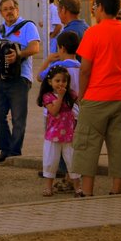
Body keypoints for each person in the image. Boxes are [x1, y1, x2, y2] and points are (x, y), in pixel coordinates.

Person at [72, 0, 121, 197]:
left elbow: (85, 69)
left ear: (100, 7)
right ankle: (116, 189)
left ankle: (87, 190)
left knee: (87, 143)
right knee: (119, 144)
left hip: (96, 96)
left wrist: (82, 95)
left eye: (94, 6)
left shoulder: (93, 33)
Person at [0, 0, 41, 162]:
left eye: (12, 8)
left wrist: (18, 54)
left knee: (18, 117)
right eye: (5, 9)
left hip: (20, 78)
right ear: (1, 13)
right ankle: (5, 148)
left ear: (17, 10)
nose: (9, 11)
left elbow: (35, 48)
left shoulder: (27, 26)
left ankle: (15, 151)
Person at [38, 66, 80, 197]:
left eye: (64, 81)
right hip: (53, 135)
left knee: (72, 160)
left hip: (69, 134)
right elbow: (54, 111)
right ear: (50, 82)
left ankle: (77, 186)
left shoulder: (72, 95)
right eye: (57, 81)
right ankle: (48, 187)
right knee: (51, 160)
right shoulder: (48, 97)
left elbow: (80, 105)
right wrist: (60, 97)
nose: (61, 84)